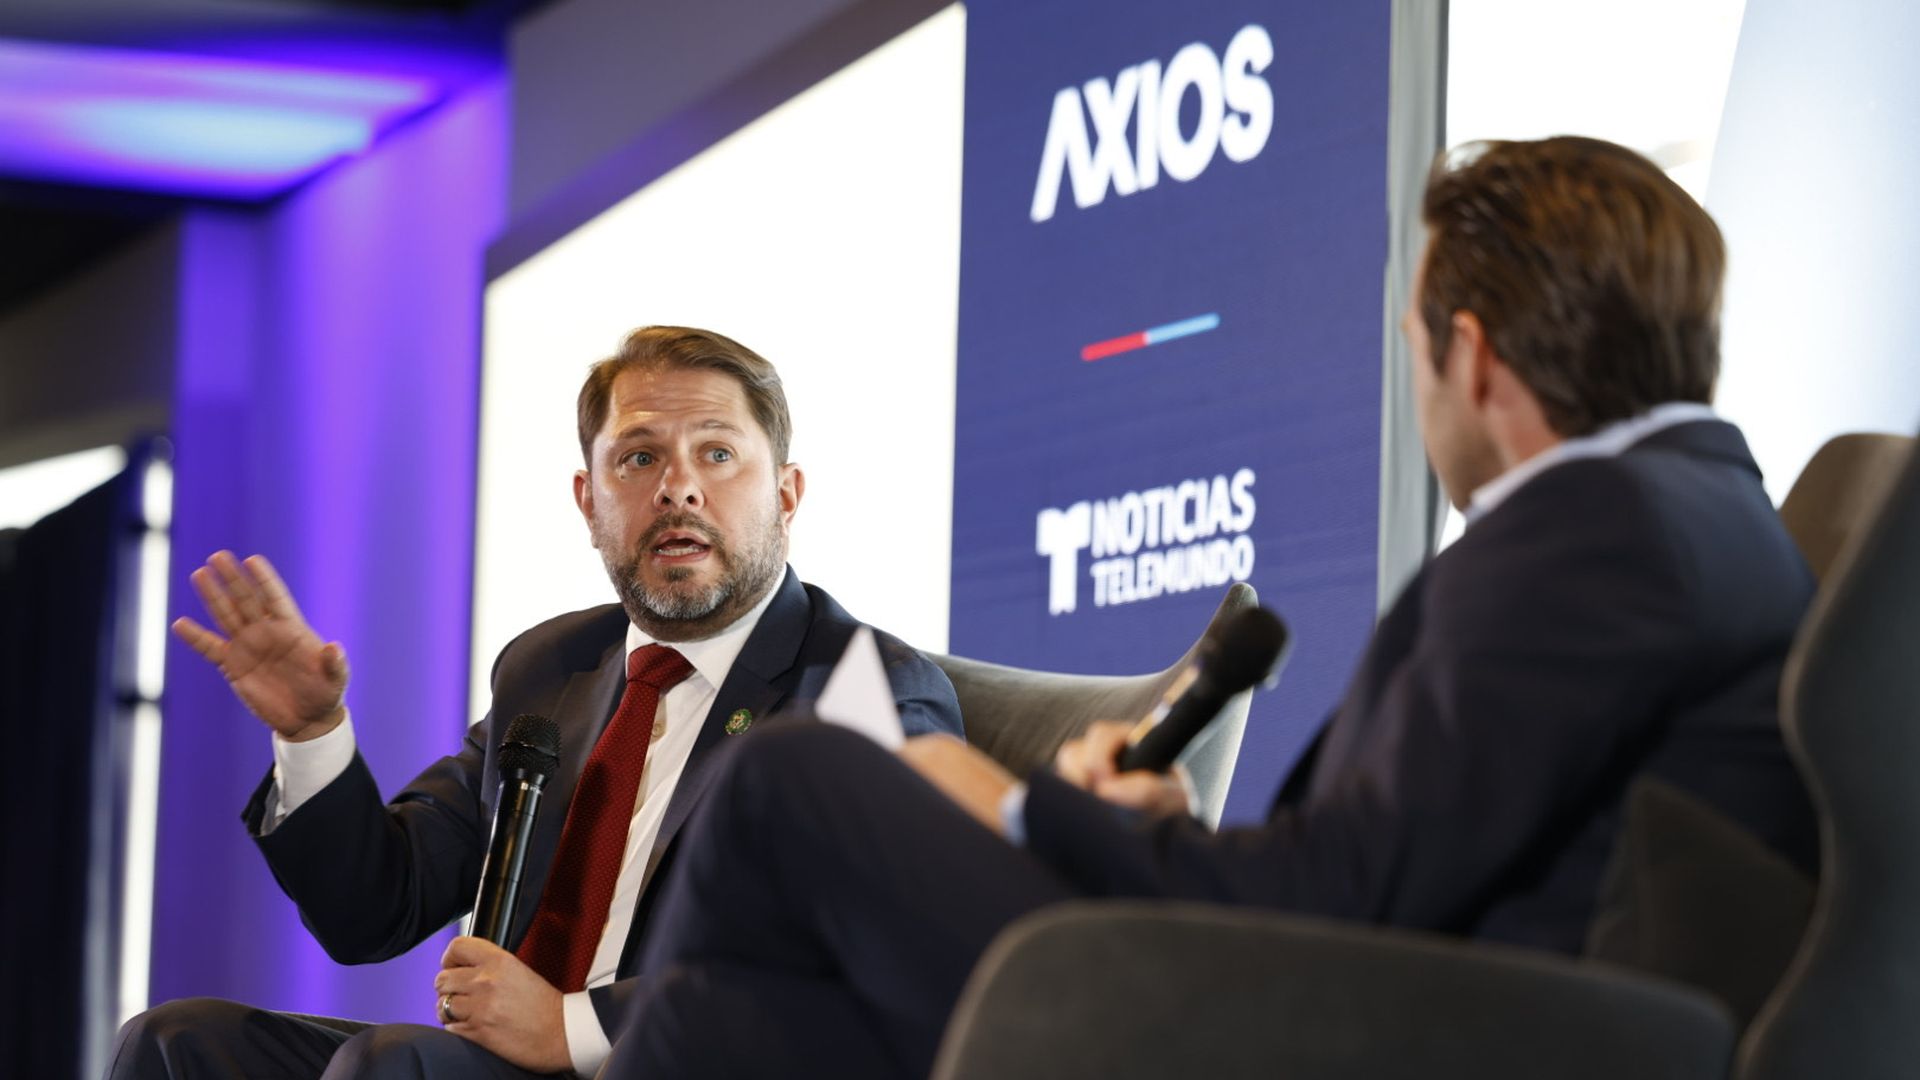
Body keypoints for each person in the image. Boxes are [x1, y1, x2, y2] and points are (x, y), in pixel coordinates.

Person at [599, 137, 1821, 1079]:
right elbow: (1403, 860)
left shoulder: (1593, 530)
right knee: (728, 1021)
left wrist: (1022, 810)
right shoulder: (1700, 515)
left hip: (1359, 1028)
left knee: (788, 782)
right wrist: (1156, 824)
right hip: (1385, 993)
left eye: (1410, 347)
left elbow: (1345, 898)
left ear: (1477, 355)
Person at [109, 326, 962, 1079]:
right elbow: (376, 909)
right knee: (179, 1043)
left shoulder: (860, 687)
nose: (678, 488)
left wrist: (574, 1027)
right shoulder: (553, 667)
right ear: (591, 504)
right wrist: (312, 731)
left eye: (717, 452)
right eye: (638, 458)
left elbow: (859, 968)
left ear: (786, 494)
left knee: (392, 1064)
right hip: (491, 1064)